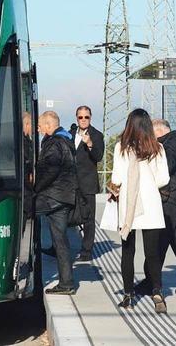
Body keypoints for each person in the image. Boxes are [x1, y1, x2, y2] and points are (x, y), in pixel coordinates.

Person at [111, 109, 170, 313]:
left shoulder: (121, 148)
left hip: (129, 206)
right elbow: (163, 179)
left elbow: (116, 179)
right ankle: (157, 291)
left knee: (128, 252)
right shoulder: (157, 148)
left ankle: (128, 294)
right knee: (152, 253)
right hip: (151, 205)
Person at [136, 119, 176, 296]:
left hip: (171, 201)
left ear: (159, 132)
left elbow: (164, 167)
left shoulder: (172, 145)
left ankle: (151, 282)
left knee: (156, 243)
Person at [34, 111, 78, 295]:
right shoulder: (67, 140)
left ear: (48, 125)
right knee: (61, 241)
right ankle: (66, 283)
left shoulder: (53, 143)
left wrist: (36, 187)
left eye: (40, 125)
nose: (38, 129)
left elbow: (50, 171)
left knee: (23, 212)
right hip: (65, 195)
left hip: (53, 196)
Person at [70, 105, 104, 261]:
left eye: (86, 117)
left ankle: (87, 251)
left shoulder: (96, 135)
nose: (83, 120)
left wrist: (90, 143)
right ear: (76, 118)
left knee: (88, 219)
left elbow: (99, 156)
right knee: (65, 216)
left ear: (90, 117)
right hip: (70, 184)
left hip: (87, 184)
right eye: (80, 117)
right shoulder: (70, 134)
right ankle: (57, 247)